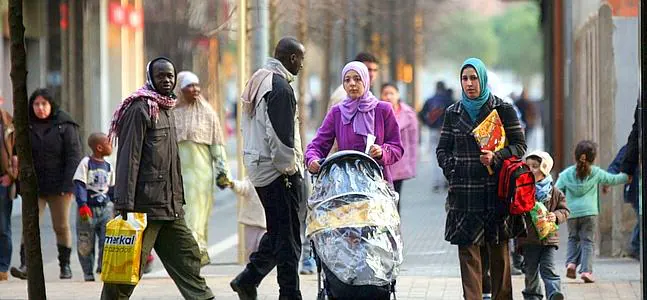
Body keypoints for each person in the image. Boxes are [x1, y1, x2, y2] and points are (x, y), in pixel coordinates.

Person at [102, 57, 214, 300]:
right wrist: (124, 205)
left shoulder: (167, 108)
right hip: (144, 209)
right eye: (161, 76)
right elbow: (128, 159)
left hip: (171, 209)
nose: (167, 80)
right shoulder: (140, 108)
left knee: (189, 260)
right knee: (125, 274)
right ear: (151, 78)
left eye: (170, 76)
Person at [436, 57, 527, 300]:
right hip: (464, 193)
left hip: (495, 192)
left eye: (473, 78)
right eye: (465, 79)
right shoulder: (453, 113)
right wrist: (453, 169)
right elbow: (442, 150)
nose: (469, 83)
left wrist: (496, 157)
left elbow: (520, 146)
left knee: (499, 254)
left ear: (482, 79)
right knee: (468, 255)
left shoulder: (502, 109)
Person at [231, 37, 306, 300]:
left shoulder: (260, 78)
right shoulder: (280, 87)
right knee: (288, 240)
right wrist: (290, 170)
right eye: (301, 59)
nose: (302, 65)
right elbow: (280, 136)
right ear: (292, 58)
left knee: (277, 234)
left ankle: (247, 279)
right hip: (278, 173)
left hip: (260, 168)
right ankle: (289, 294)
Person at [11, 88, 82, 280]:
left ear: (51, 105)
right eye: (36, 104)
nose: (40, 108)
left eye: (44, 104)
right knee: (30, 225)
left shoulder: (65, 125)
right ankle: (26, 265)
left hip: (59, 186)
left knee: (61, 226)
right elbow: (17, 154)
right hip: (33, 185)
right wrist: (20, 182)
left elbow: (74, 156)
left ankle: (65, 266)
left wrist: (69, 185)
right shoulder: (25, 125)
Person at [305, 61, 404, 185]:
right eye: (347, 80)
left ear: (366, 80)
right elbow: (317, 145)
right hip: (346, 185)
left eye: (357, 79)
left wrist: (381, 152)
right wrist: (312, 160)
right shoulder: (337, 112)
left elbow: (396, 147)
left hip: (378, 184)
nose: (352, 84)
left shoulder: (383, 109)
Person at [173, 70, 230, 266]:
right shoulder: (170, 112)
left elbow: (217, 146)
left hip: (200, 178)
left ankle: (194, 254)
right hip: (177, 176)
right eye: (189, 86)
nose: (194, 89)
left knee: (197, 214)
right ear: (180, 89)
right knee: (182, 215)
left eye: (197, 85)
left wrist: (223, 173)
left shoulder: (207, 112)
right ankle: (188, 254)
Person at [556, 140, 630, 284]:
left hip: (571, 213)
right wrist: (627, 177)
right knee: (588, 241)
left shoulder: (566, 174)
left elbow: (556, 190)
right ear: (593, 158)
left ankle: (571, 263)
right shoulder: (595, 172)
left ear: (575, 156)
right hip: (590, 213)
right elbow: (613, 179)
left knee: (573, 238)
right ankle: (586, 271)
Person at [519, 151, 568, 300]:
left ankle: (554, 293)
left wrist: (556, 216)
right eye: (528, 166)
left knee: (548, 268)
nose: (531, 170)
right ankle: (532, 295)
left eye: (535, 166)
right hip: (529, 239)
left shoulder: (555, 192)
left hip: (549, 239)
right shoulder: (523, 190)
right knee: (531, 270)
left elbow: (565, 210)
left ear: (544, 169)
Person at [73, 132, 115, 282]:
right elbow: (80, 184)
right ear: (99, 147)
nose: (111, 146)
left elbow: (112, 188)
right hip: (88, 209)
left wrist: (116, 205)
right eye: (108, 143)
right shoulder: (86, 163)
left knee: (107, 240)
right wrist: (82, 204)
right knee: (86, 241)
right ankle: (87, 272)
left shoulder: (109, 166)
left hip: (105, 209)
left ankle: (102, 266)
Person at [381, 83, 418, 211]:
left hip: (400, 161)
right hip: (383, 161)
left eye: (391, 93)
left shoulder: (408, 113)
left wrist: (412, 165)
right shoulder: (377, 111)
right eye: (385, 93)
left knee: (396, 197)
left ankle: (395, 227)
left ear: (398, 95)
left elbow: (413, 141)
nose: (388, 96)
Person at [605, 145, 640, 260]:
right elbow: (617, 164)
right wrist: (609, 179)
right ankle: (636, 247)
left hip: (636, 190)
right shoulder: (632, 146)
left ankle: (636, 246)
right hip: (636, 190)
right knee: (642, 218)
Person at [420, 81, 453, 192]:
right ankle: (445, 180)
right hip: (446, 132)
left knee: (435, 157)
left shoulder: (430, 100)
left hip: (433, 131)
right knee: (447, 155)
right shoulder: (449, 100)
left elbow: (421, 114)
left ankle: (436, 182)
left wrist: (428, 124)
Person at [229, 177, 267, 262]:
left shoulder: (272, 179)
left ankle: (260, 265)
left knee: (262, 246)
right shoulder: (251, 179)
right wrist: (232, 184)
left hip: (267, 222)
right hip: (251, 222)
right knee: (250, 248)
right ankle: (251, 267)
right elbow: (242, 187)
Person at [0, 96, 16, 282]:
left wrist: (12, 174)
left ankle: (2, 268)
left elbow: (17, 152)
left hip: (2, 182)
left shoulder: (8, 123)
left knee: (3, 227)